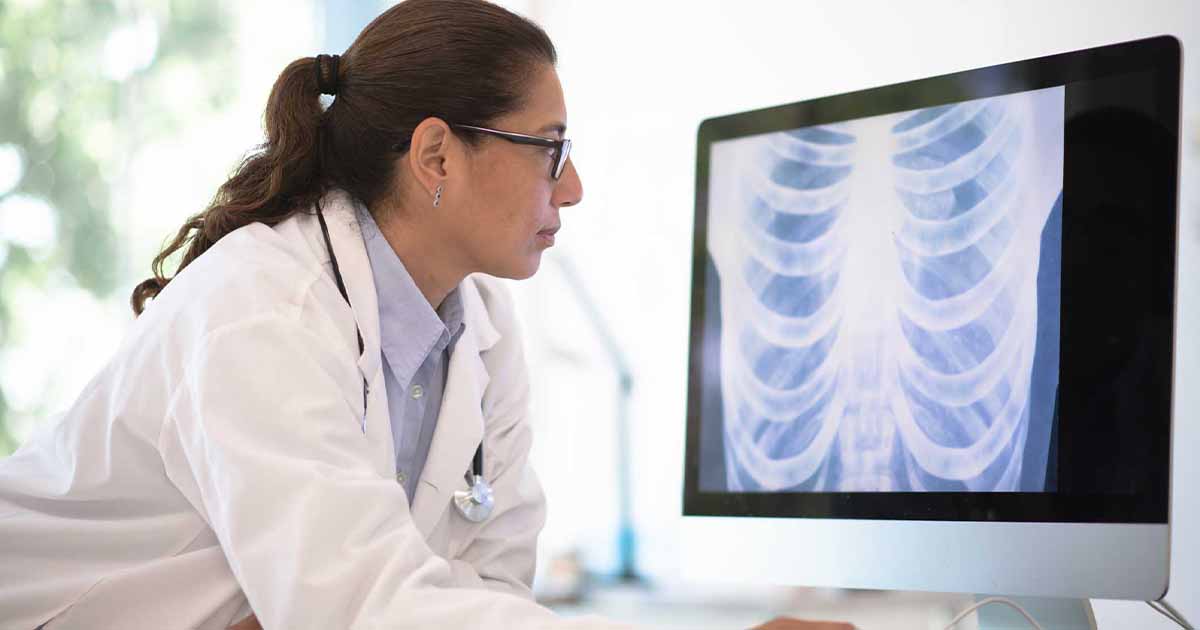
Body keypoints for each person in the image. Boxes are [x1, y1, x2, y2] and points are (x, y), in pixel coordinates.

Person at [0, 1, 854, 628]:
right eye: (550, 149)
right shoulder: (262, 311)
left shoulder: (478, 328)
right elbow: (366, 606)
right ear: (437, 154)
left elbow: (488, 595)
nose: (574, 188)